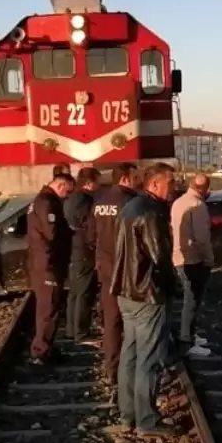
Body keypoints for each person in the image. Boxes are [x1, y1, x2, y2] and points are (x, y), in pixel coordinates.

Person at [109, 162, 178, 437]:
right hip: (147, 294)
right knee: (149, 359)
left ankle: (128, 415)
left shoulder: (130, 207)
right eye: (170, 184)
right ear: (154, 184)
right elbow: (159, 256)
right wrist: (172, 286)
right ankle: (147, 421)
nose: (173, 188)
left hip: (126, 291)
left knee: (130, 354)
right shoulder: (152, 213)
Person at [85, 162, 138, 385]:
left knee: (111, 318)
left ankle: (112, 367)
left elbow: (89, 237)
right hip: (126, 267)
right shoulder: (131, 202)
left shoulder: (99, 201)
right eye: (136, 177)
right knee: (134, 317)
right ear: (125, 178)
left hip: (105, 266)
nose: (139, 180)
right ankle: (132, 366)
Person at [27, 172, 75, 364]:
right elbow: (52, 234)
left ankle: (45, 348)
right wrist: (69, 235)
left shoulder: (38, 200)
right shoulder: (48, 202)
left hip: (40, 262)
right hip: (48, 264)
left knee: (47, 308)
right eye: (68, 192)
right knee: (49, 309)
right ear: (61, 186)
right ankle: (41, 352)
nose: (68, 197)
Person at [171, 173, 215, 357]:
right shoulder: (198, 205)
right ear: (206, 188)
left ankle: (190, 335)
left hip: (179, 256)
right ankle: (187, 341)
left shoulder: (179, 202)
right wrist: (209, 258)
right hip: (193, 259)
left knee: (191, 299)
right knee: (193, 300)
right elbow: (202, 238)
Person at [64, 167, 101, 342]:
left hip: (73, 248)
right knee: (84, 292)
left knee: (74, 292)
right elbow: (89, 226)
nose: (99, 185)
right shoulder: (84, 200)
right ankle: (81, 332)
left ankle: (72, 329)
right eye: (97, 181)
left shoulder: (72, 198)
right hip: (83, 250)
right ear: (89, 183)